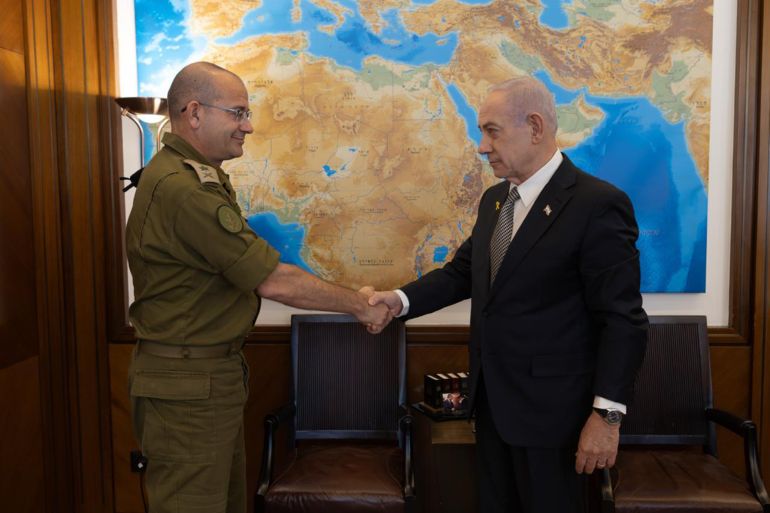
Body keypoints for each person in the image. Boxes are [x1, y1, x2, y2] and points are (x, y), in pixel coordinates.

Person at [364, 76, 648, 513]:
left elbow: (623, 320)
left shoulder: (597, 204)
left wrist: (607, 417)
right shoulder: (496, 200)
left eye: (491, 131)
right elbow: (462, 273)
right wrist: (398, 300)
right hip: (493, 407)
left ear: (535, 127)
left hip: (557, 421)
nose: (481, 146)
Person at [125, 61, 391, 513]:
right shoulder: (182, 189)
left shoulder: (193, 178)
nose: (248, 126)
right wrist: (361, 307)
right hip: (188, 386)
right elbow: (273, 279)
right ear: (194, 112)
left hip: (205, 379)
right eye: (237, 113)